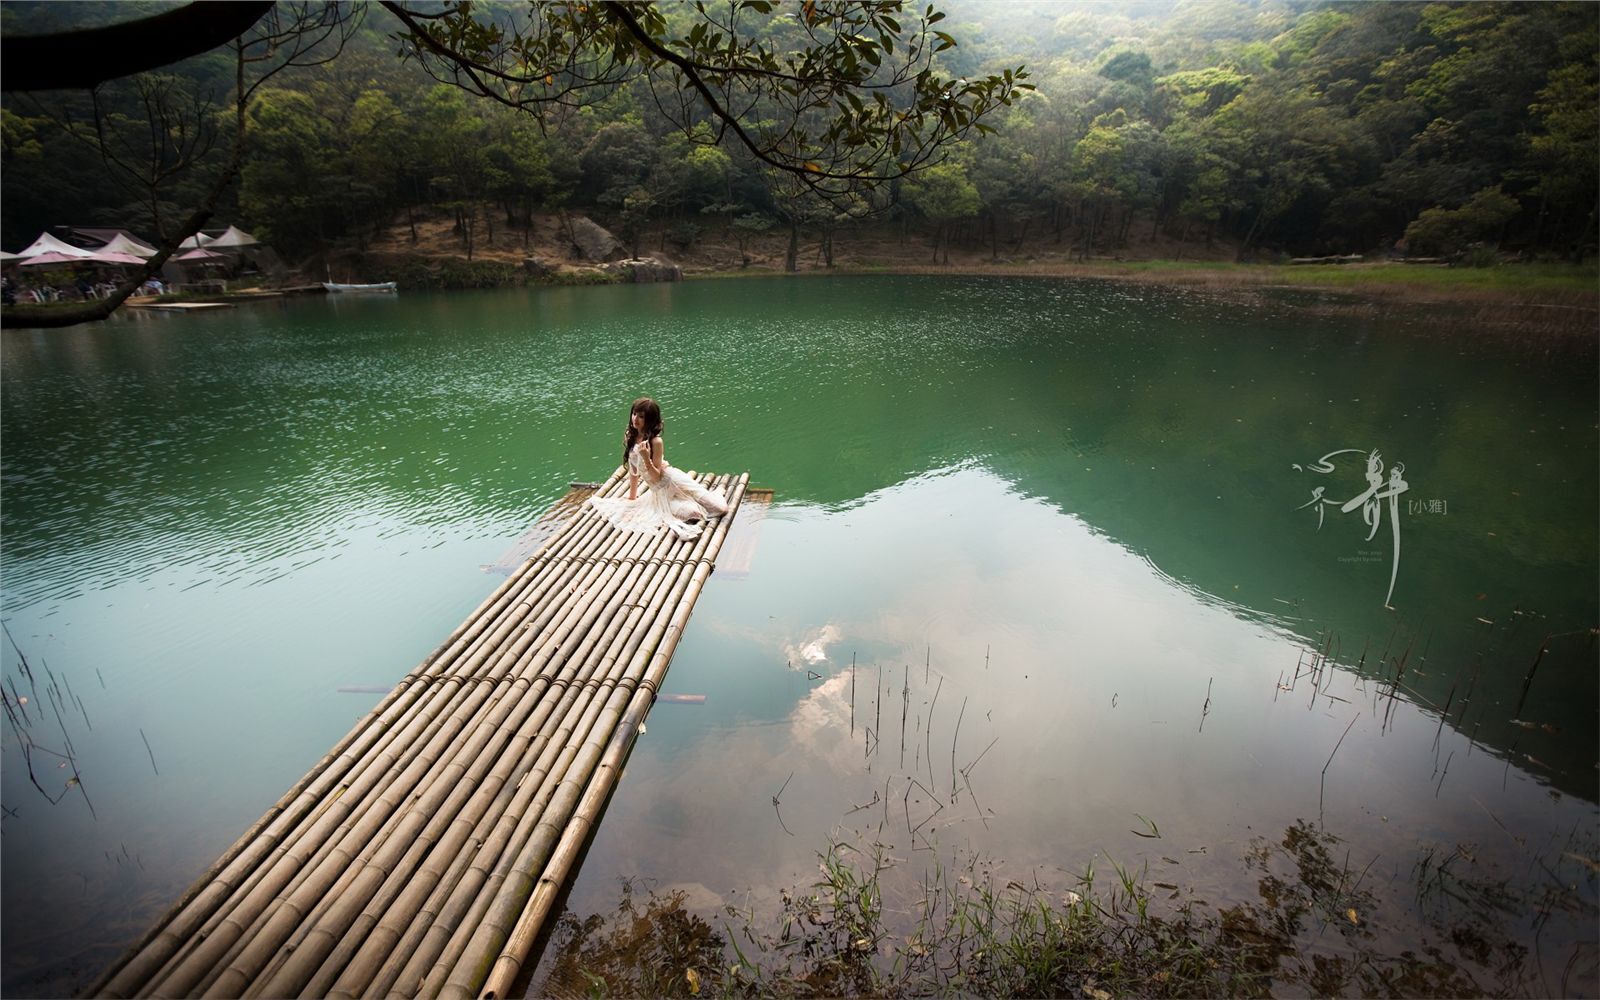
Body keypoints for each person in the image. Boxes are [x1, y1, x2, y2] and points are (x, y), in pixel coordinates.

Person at [587, 397, 730, 540]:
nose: (635, 419)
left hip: (672, 480)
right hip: (658, 493)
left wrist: (646, 457)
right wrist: (632, 497)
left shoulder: (656, 442)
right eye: (634, 414)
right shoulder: (630, 435)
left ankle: (713, 496)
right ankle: (692, 502)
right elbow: (633, 470)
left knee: (721, 509)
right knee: (694, 513)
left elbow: (657, 476)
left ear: (649, 420)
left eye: (641, 416)